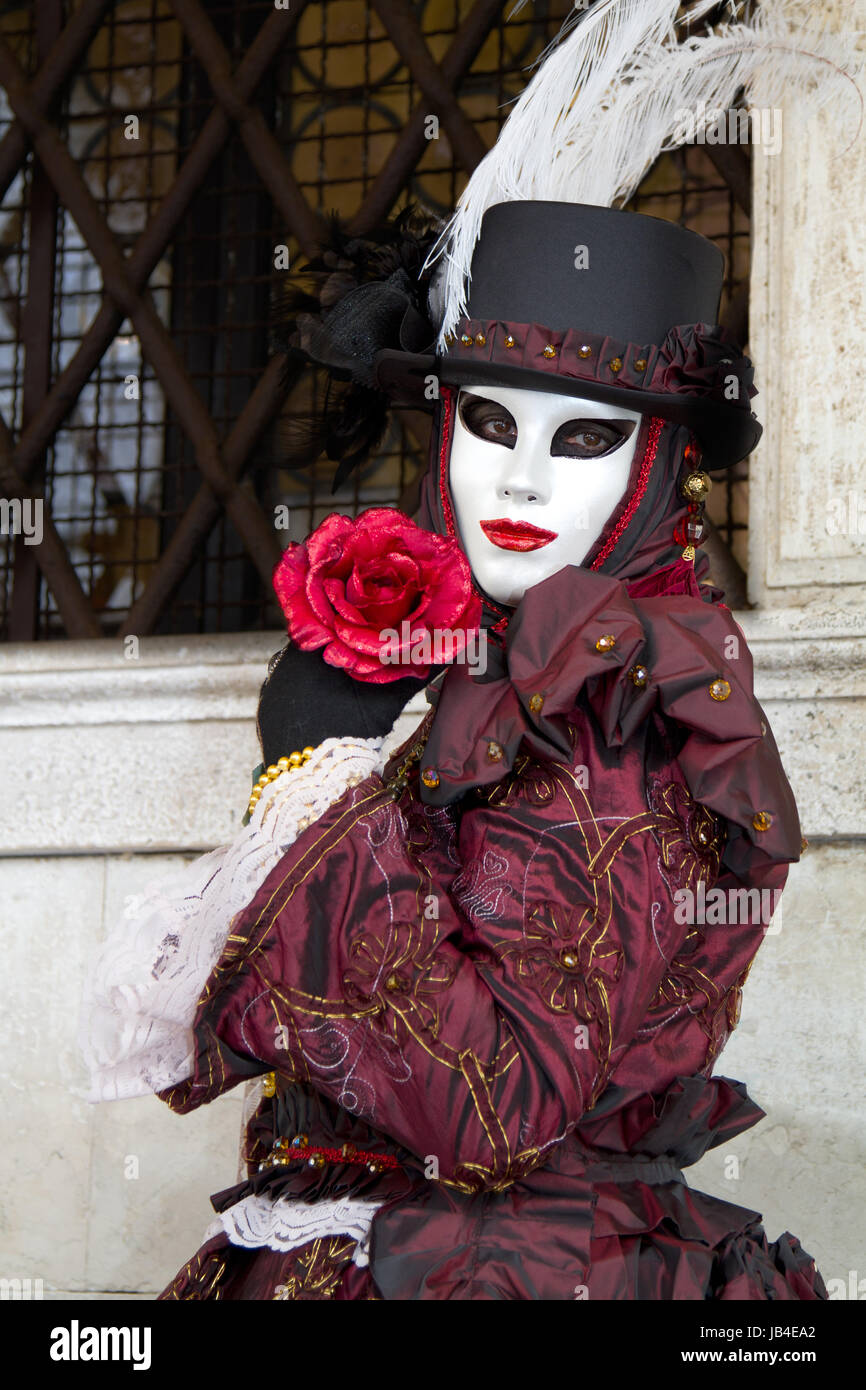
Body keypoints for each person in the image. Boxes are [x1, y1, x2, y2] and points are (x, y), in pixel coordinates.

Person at [80, 0, 856, 1300]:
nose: (518, 481)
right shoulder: (491, 666)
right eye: (487, 421)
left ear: (667, 467)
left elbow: (488, 1106)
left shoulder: (636, 686)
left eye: (584, 438)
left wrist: (321, 775)